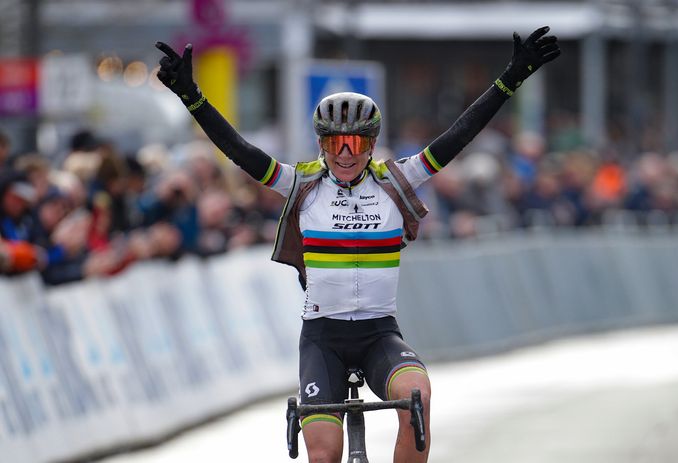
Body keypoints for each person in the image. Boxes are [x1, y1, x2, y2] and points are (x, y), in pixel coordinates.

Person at [155, 25, 560, 463]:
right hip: (322, 339)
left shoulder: (396, 181)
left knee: (418, 397)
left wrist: (510, 79)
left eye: (355, 142)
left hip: (378, 335)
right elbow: (239, 150)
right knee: (324, 456)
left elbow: (458, 136)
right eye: (335, 142)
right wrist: (191, 97)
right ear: (321, 144)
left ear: (371, 145)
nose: (345, 154)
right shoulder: (301, 184)